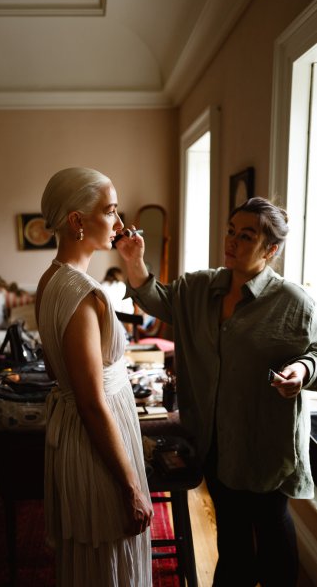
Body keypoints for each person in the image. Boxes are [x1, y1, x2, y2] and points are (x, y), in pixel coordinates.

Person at [117, 196, 317, 587]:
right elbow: (156, 299)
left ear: (270, 249)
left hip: (266, 443)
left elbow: (316, 353)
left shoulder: (292, 302)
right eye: (230, 231)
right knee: (234, 540)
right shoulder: (198, 287)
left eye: (246, 236)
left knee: (274, 541)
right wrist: (133, 259)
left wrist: (301, 369)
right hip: (215, 440)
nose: (232, 241)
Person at [35, 167, 153, 587]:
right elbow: (88, 401)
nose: (120, 224)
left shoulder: (49, 280)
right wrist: (131, 488)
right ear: (77, 221)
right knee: (109, 560)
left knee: (94, 561)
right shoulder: (83, 293)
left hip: (78, 434)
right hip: (96, 444)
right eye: (111, 211)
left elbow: (56, 372)